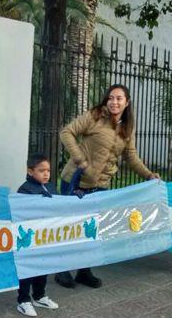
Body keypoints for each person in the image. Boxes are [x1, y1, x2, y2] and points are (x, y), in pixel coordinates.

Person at [56, 84, 160, 289]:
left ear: (127, 102)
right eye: (111, 98)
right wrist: (79, 159)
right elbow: (66, 132)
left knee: (92, 229)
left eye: (119, 98)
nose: (114, 102)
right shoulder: (95, 116)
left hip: (101, 185)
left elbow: (131, 156)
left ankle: (84, 271)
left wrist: (148, 174)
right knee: (70, 227)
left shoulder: (126, 126)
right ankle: (63, 270)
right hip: (75, 180)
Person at [15, 153, 60, 317]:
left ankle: (39, 295)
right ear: (30, 171)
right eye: (41, 170)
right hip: (29, 238)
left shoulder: (52, 187)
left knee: (43, 265)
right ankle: (23, 300)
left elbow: (62, 205)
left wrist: (75, 196)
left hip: (46, 236)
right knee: (28, 269)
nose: (46, 174)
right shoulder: (25, 189)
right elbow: (22, 212)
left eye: (48, 170)